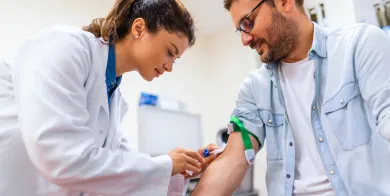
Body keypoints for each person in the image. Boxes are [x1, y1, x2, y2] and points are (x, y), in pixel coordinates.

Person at [0, 0, 219, 195]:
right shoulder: (67, 46)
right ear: (139, 28)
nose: (170, 67)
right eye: (170, 52)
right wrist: (167, 165)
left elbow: (114, 171)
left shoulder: (112, 95)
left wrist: (181, 168)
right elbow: (63, 158)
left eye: (176, 59)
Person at [192, 0, 390, 195]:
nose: (245, 40)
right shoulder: (254, 88)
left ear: (284, 3)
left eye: (247, 23)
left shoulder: (360, 45)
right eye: (240, 30)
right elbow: (233, 158)